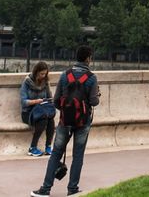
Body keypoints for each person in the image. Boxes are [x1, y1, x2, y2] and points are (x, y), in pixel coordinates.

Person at [31, 45, 100, 197]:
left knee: (56, 153)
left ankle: (45, 189)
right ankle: (72, 190)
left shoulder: (65, 75)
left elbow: (56, 101)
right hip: (83, 122)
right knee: (78, 155)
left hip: (65, 121)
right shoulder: (91, 78)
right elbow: (94, 102)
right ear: (88, 58)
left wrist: (66, 110)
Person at [20, 61, 55, 157]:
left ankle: (48, 146)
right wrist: (36, 101)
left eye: (45, 74)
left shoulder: (45, 82)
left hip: (42, 110)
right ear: (36, 72)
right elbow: (23, 102)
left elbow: (49, 97)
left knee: (50, 119)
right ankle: (32, 147)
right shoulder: (27, 82)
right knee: (43, 120)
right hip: (28, 112)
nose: (43, 76)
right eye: (41, 74)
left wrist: (49, 100)